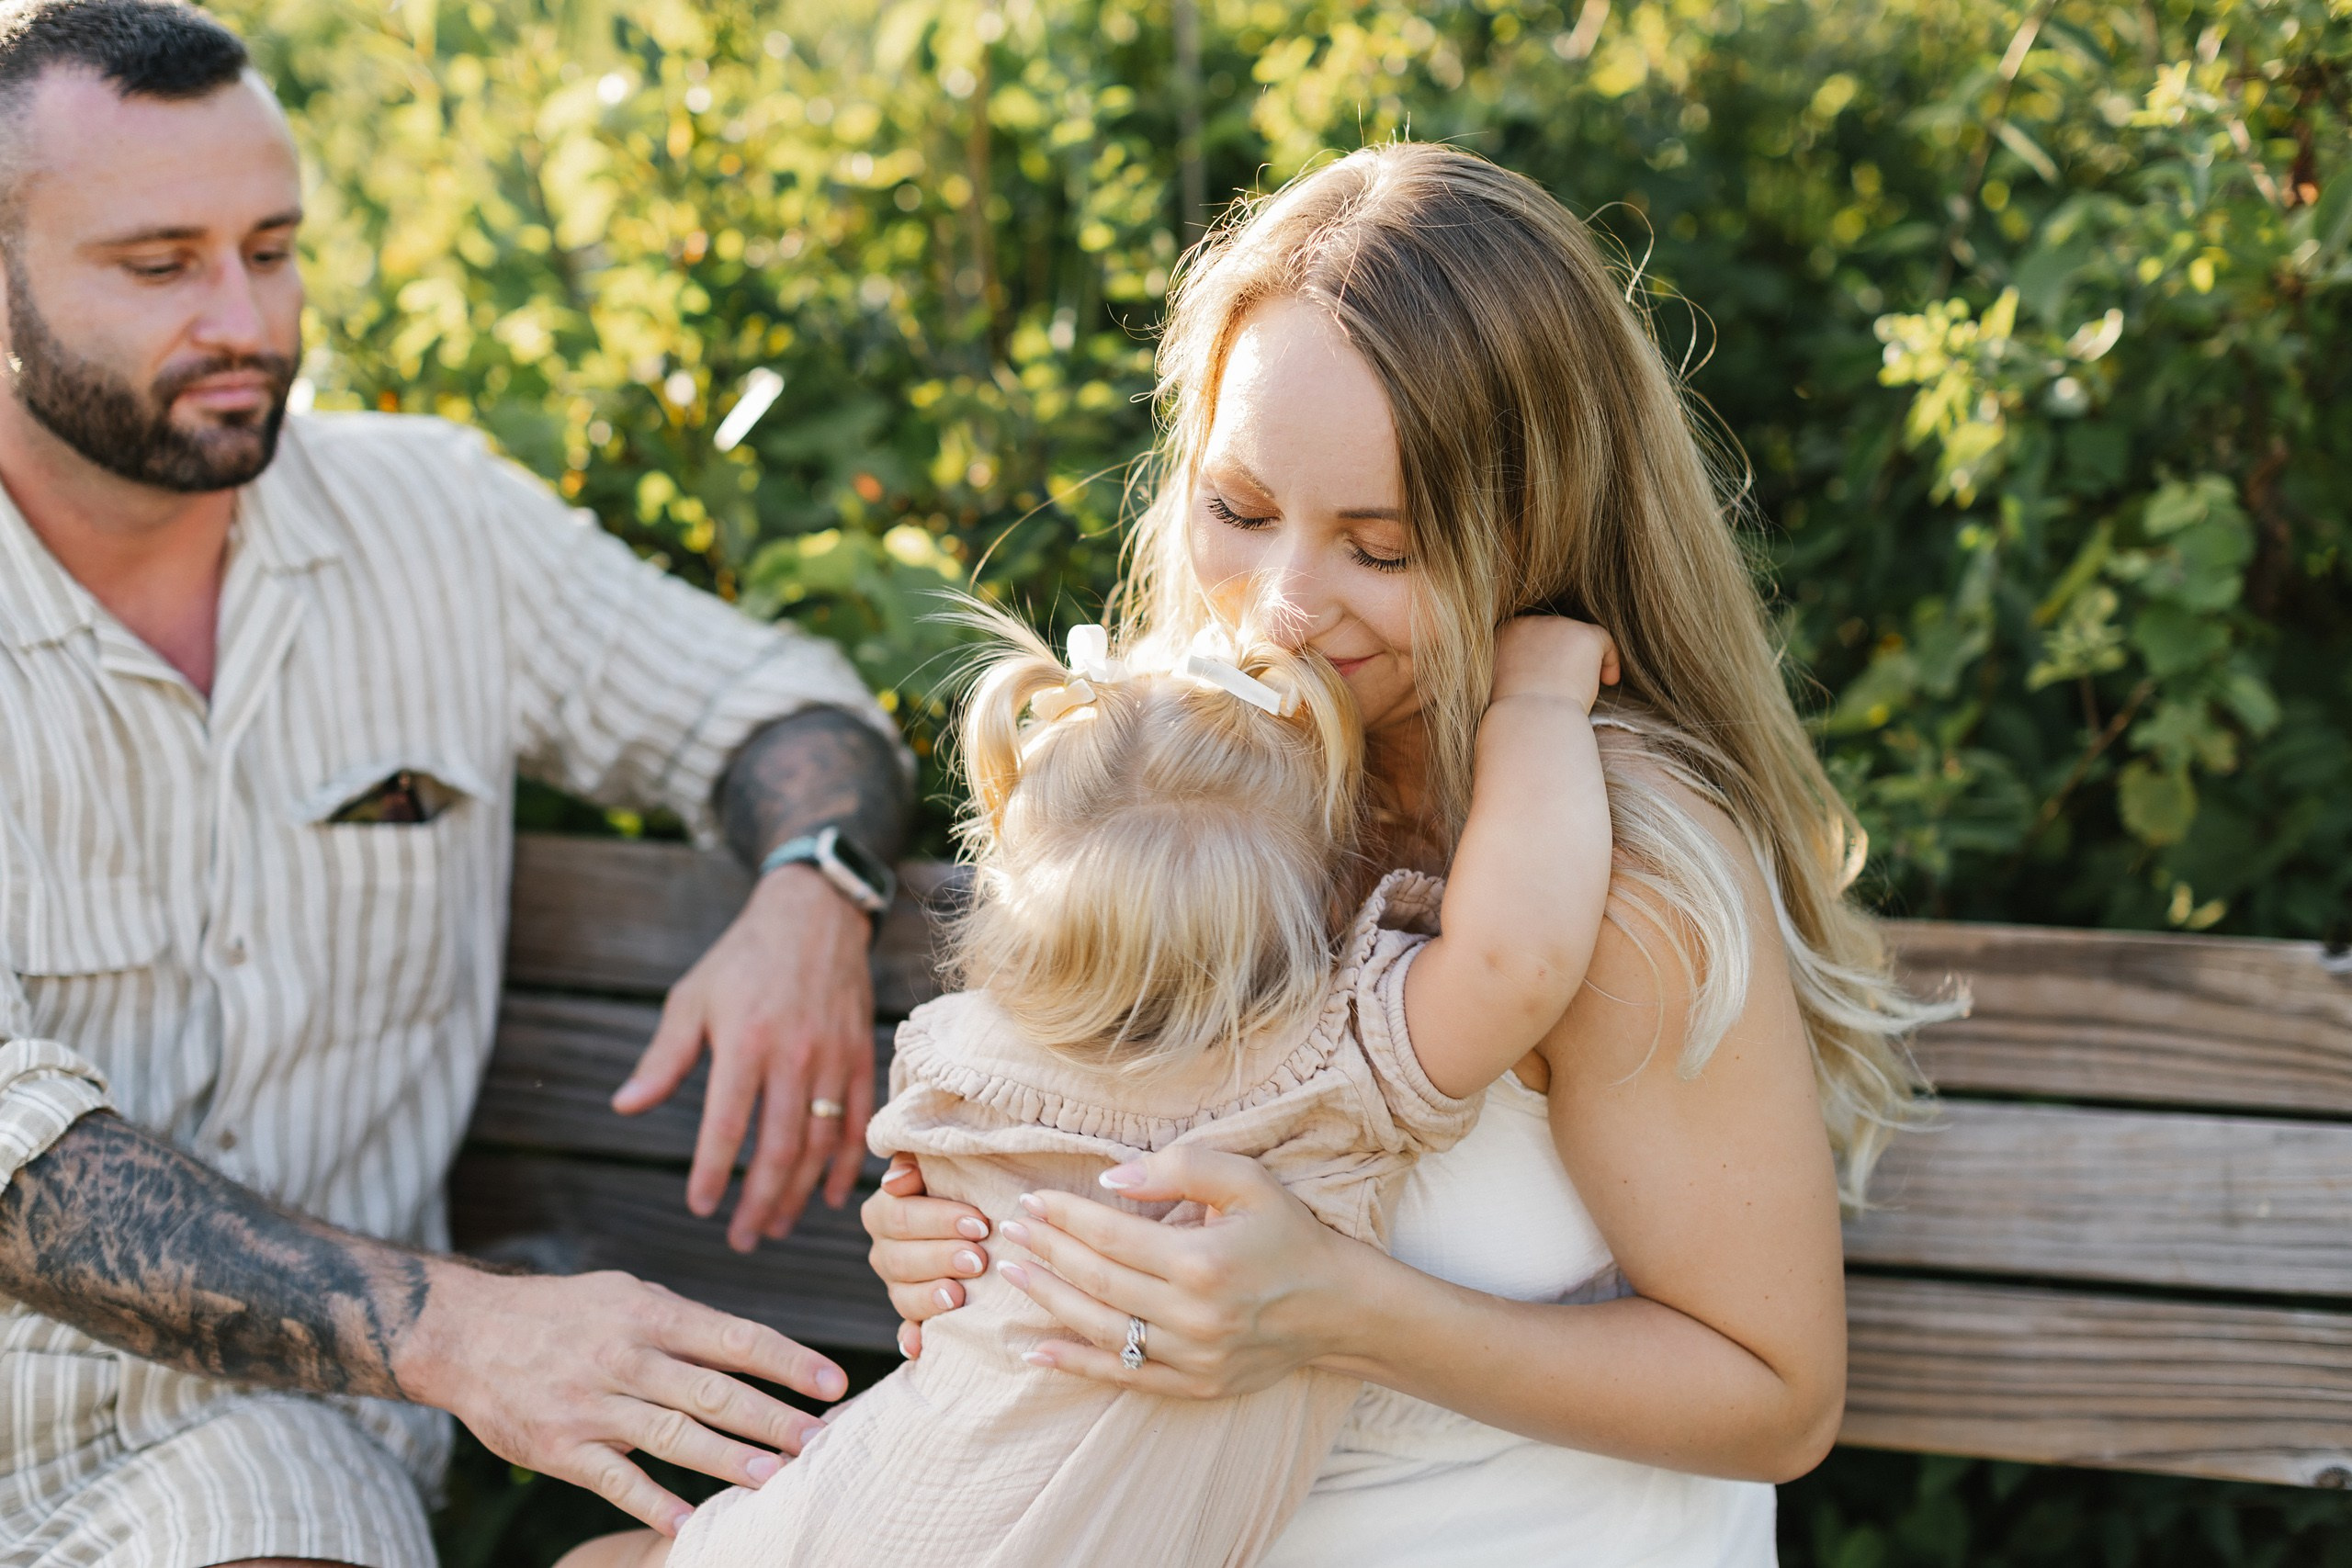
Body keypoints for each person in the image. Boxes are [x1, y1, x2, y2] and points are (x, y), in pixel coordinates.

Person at [865, 141, 1959, 1564]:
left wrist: (1332, 1304)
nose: (1282, 607)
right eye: (1241, 511)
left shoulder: (1617, 879)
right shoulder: (1163, 789)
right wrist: (977, 1240)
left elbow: (1776, 1397)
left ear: (1539, 524)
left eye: (1381, 548)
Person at [0, 2, 910, 1562]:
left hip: (281, 1451)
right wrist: (456, 1327)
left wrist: (811, 886)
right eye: (161, 265)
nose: (245, 316)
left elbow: (783, 708)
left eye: (273, 248)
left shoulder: (435, 523)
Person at [561, 603, 1621, 1568]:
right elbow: (1512, 960)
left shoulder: (956, 1053)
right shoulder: (1327, 1072)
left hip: (865, 1509)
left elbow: (931, 1232)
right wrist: (1533, 702)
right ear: (1327, 902)